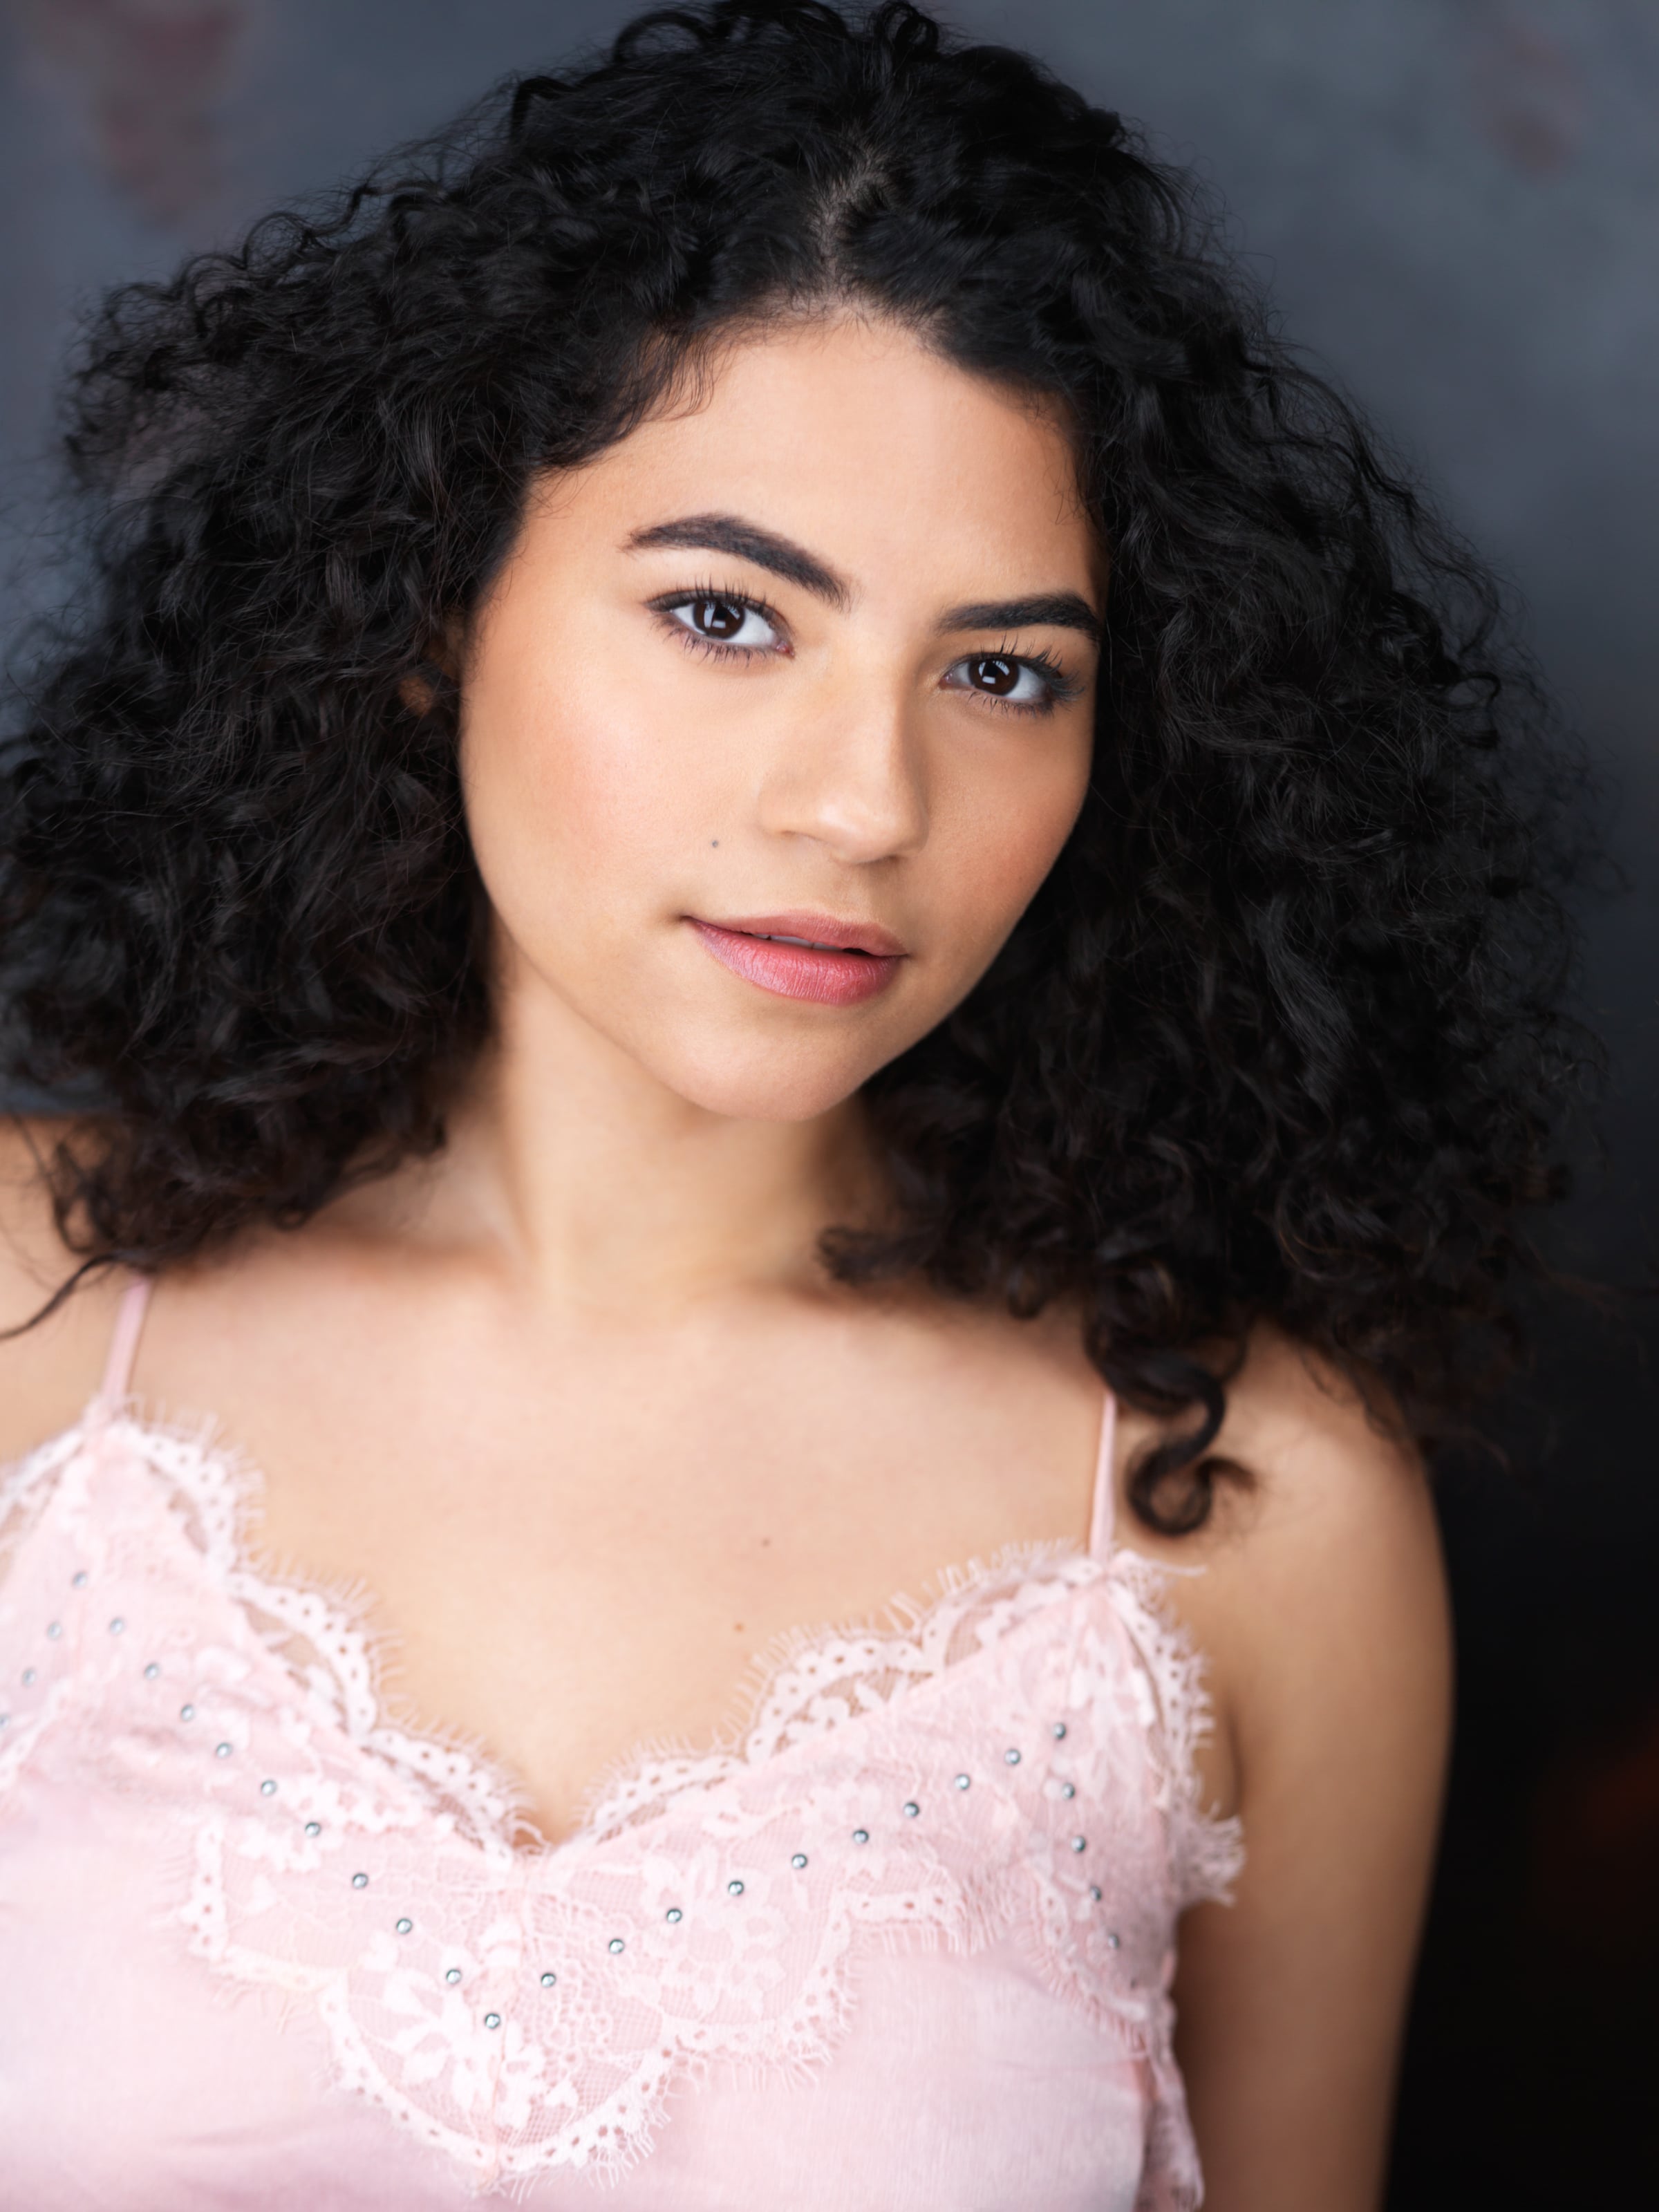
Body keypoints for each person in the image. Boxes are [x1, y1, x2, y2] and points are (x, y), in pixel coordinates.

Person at [0, 3, 1588, 2206]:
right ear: (431, 606)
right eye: (730, 617)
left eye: (1003, 673)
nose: (866, 803)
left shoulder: (1242, 1497)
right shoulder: (41, 1314)